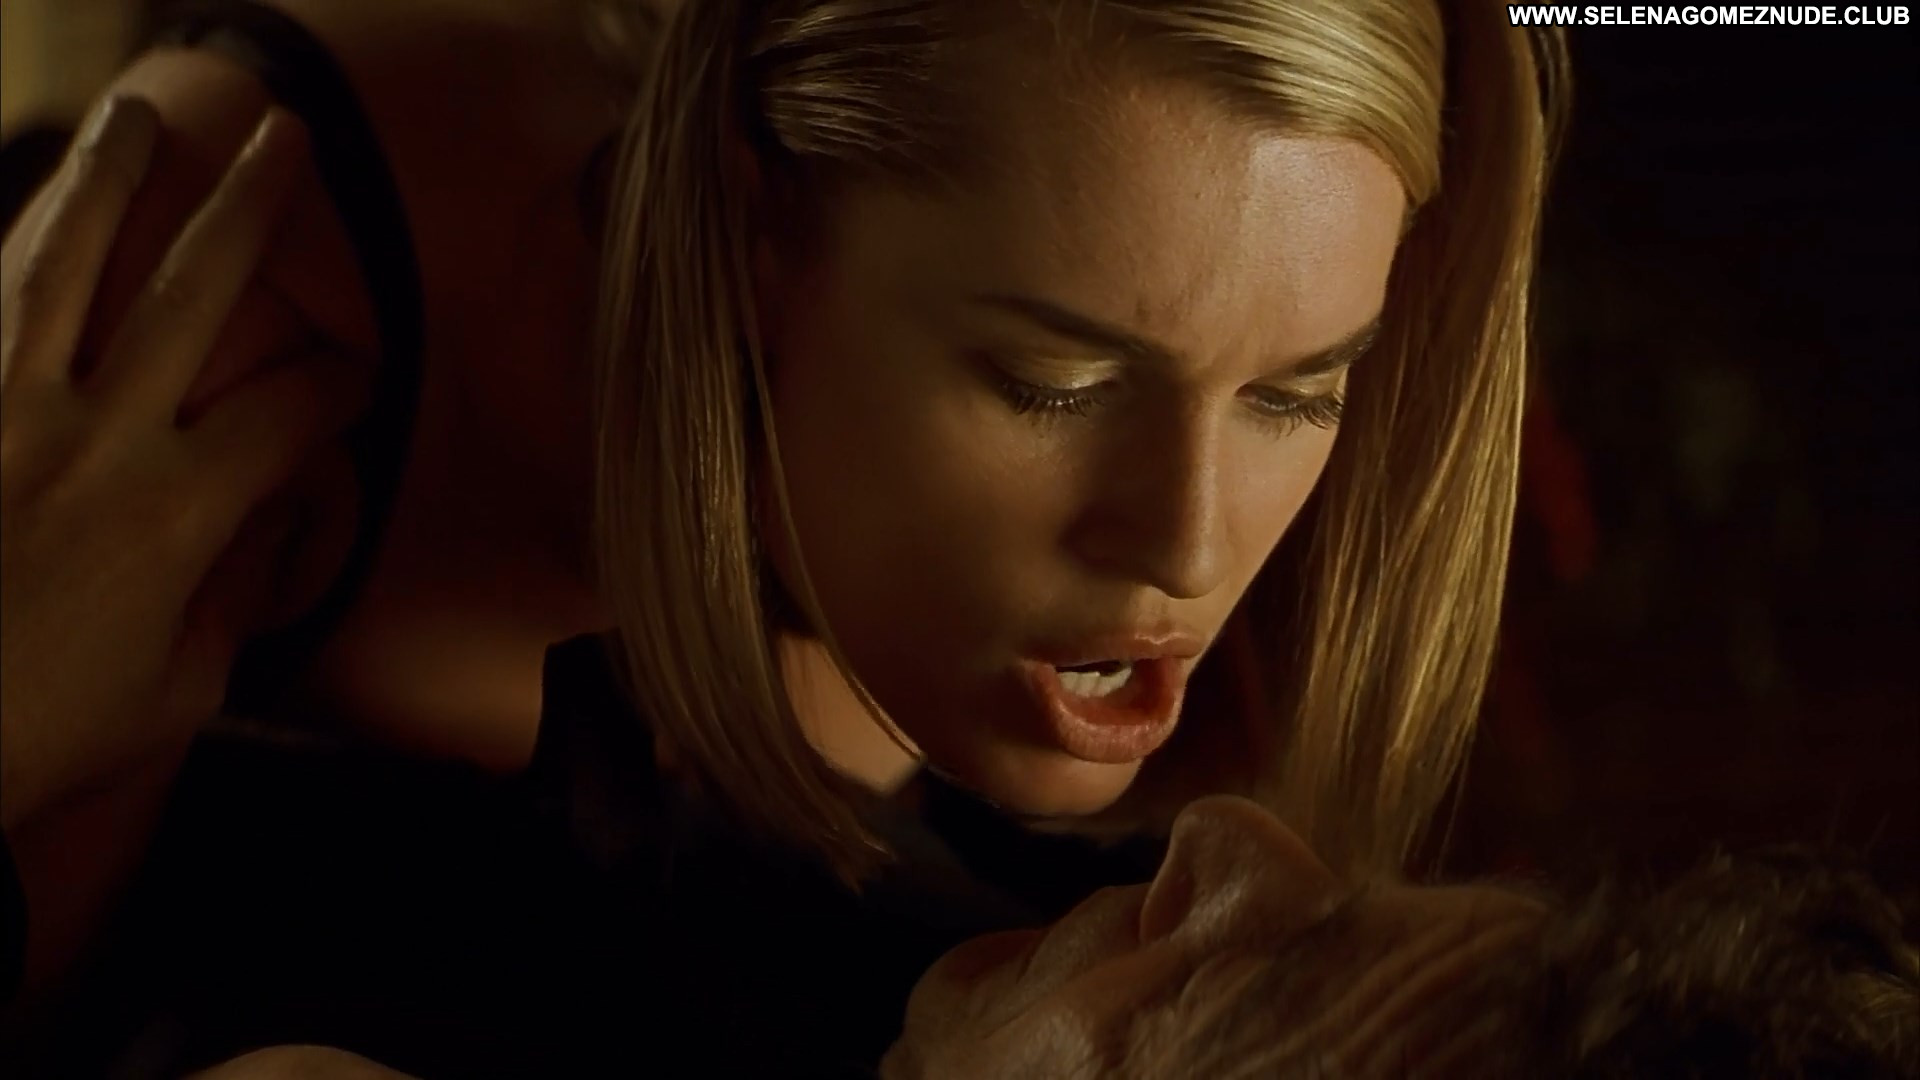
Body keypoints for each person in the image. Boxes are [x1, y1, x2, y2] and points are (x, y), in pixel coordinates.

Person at [5, 0, 1565, 1071]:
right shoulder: (255, 295)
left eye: (1296, 394)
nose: (1188, 548)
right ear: (759, 237)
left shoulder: (1072, 897)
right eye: (1055, 383)